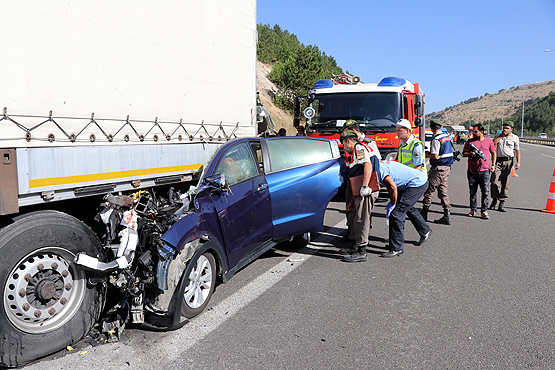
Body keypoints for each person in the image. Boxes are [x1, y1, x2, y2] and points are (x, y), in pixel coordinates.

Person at [340, 130, 380, 262]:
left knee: (361, 219)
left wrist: (364, 186)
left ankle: (362, 251)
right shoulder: (364, 147)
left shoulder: (358, 148)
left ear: (348, 141)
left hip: (366, 190)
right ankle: (356, 246)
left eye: (344, 145)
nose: (344, 148)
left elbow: (367, 165)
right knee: (356, 217)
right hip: (361, 189)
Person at [377, 160, 432, 257]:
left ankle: (396, 248)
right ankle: (425, 230)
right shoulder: (379, 163)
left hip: (417, 183)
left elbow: (392, 187)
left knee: (397, 213)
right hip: (414, 181)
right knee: (407, 207)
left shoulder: (379, 170)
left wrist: (392, 203)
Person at [421, 119, 454, 225]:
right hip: (446, 168)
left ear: (431, 128)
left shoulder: (436, 139)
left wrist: (425, 154)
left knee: (429, 190)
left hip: (438, 168)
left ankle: (424, 213)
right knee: (443, 191)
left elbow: (435, 155)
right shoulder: (446, 137)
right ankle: (447, 214)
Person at [462, 123, 496, 219]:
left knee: (485, 191)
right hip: (472, 170)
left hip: (485, 171)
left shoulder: (489, 141)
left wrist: (493, 165)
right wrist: (470, 154)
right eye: (472, 131)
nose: (473, 133)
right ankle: (473, 209)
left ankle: (484, 211)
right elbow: (463, 154)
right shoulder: (469, 142)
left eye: (475, 131)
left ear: (481, 132)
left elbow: (493, 153)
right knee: (473, 191)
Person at [490, 121, 521, 212]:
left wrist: (518, 162)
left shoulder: (515, 138)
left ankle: (502, 202)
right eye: (503, 128)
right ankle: (494, 199)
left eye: (507, 128)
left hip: (509, 161)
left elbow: (517, 151)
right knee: (494, 182)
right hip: (498, 161)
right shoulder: (498, 135)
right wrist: (500, 136)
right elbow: (492, 145)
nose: (505, 129)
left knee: (506, 183)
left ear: (511, 129)